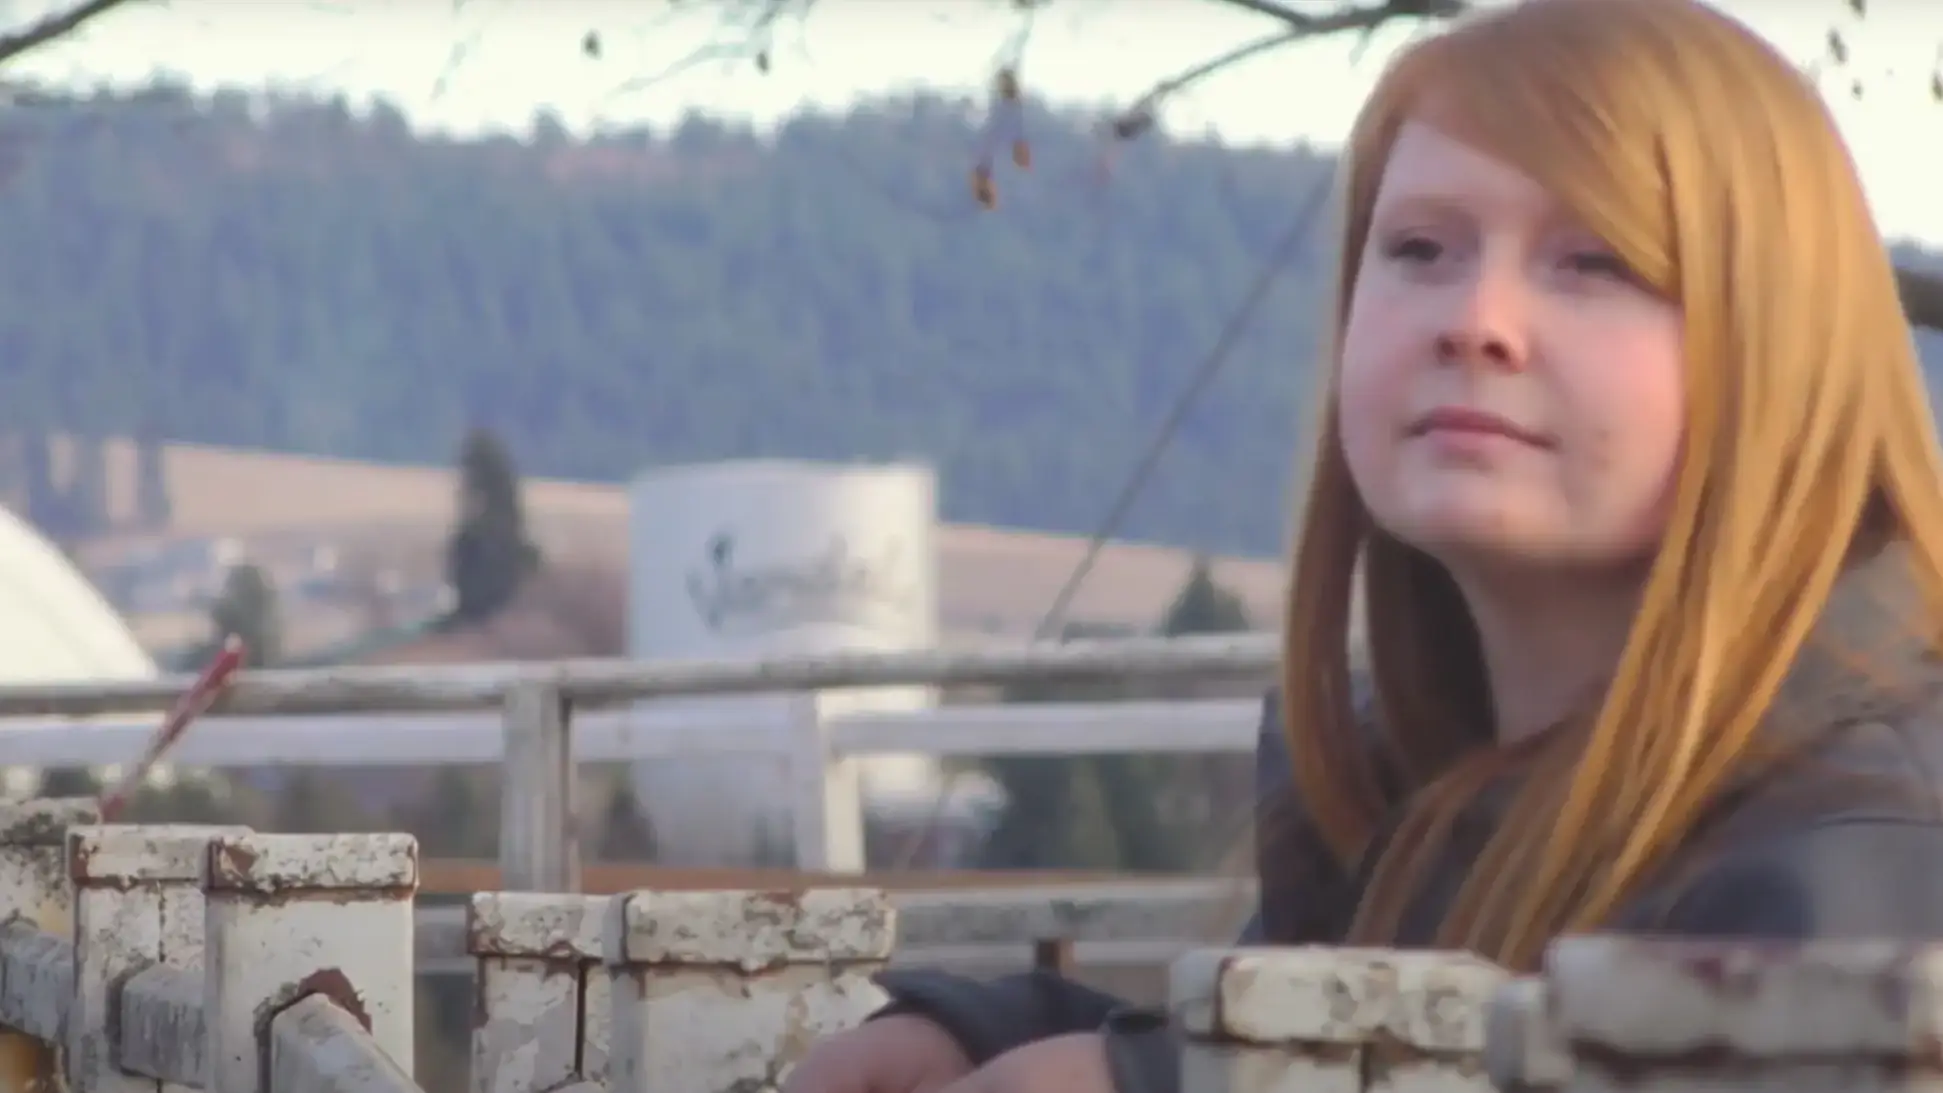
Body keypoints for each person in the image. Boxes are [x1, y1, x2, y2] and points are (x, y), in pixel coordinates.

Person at [787, 0, 1943, 1090]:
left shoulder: (1865, 853)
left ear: (1782, 353)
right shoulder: (1399, 781)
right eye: (1420, 249)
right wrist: (1005, 1038)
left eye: (1593, 261)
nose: (1474, 319)